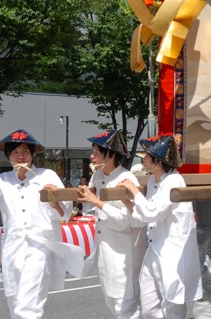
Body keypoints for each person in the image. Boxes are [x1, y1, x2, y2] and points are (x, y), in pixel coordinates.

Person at [0, 129, 81, 319]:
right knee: (15, 304)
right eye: (15, 152)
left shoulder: (46, 175)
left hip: (39, 248)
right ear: (8, 155)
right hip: (12, 249)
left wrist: (53, 200)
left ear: (32, 153)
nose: (20, 156)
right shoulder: (1, 180)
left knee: (27, 308)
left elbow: (64, 214)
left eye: (24, 151)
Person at [118, 135, 201, 319]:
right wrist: (126, 200)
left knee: (172, 307)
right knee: (149, 307)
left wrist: (132, 190)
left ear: (157, 161)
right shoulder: (153, 182)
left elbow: (151, 212)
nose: (143, 158)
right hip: (155, 249)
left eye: (147, 155)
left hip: (173, 252)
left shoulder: (174, 181)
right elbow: (143, 216)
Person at [77, 130, 147, 319]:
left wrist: (97, 202)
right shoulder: (97, 176)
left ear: (111, 155)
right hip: (105, 248)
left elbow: (130, 221)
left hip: (125, 252)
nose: (92, 156)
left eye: (96, 152)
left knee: (126, 307)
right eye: (92, 151)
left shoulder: (127, 179)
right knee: (110, 300)